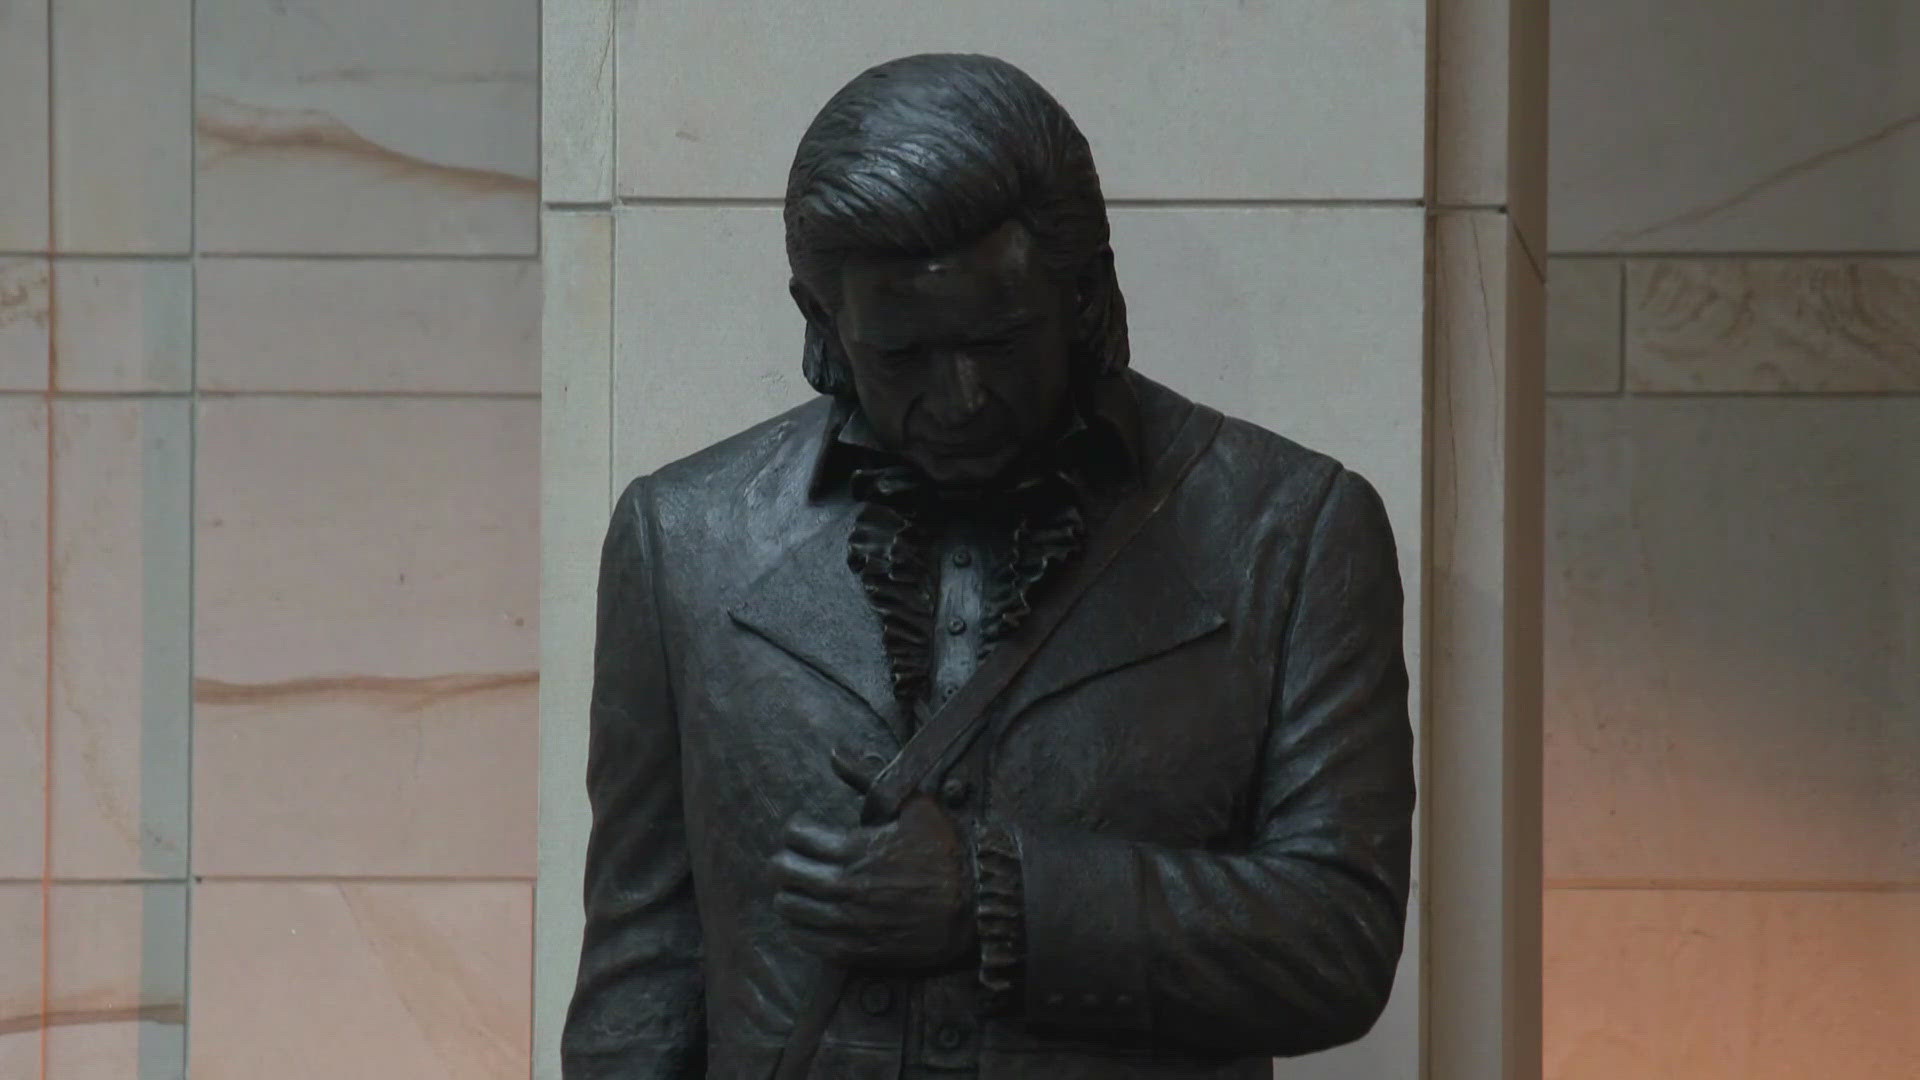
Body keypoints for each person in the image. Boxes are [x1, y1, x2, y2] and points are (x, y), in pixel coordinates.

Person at [562, 53, 1414, 1080]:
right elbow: (641, 974)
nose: (961, 397)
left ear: (1087, 295)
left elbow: (1340, 942)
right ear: (822, 323)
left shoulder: (1293, 529)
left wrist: (996, 904)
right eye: (904, 356)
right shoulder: (683, 539)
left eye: (1000, 341)